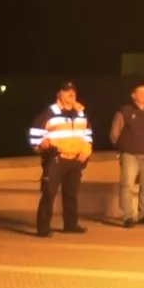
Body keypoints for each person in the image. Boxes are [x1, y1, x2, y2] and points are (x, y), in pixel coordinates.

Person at [28, 82, 92, 238]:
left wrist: (86, 150)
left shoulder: (81, 113)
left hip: (75, 160)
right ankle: (43, 228)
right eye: (67, 91)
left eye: (73, 91)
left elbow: (88, 134)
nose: (71, 94)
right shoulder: (49, 113)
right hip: (56, 159)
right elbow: (35, 134)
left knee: (71, 194)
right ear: (59, 95)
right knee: (49, 193)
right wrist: (42, 146)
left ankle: (70, 224)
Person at [110, 83, 144, 227]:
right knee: (127, 185)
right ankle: (128, 216)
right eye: (142, 92)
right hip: (130, 155)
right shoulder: (124, 111)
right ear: (133, 95)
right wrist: (120, 149)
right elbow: (114, 133)